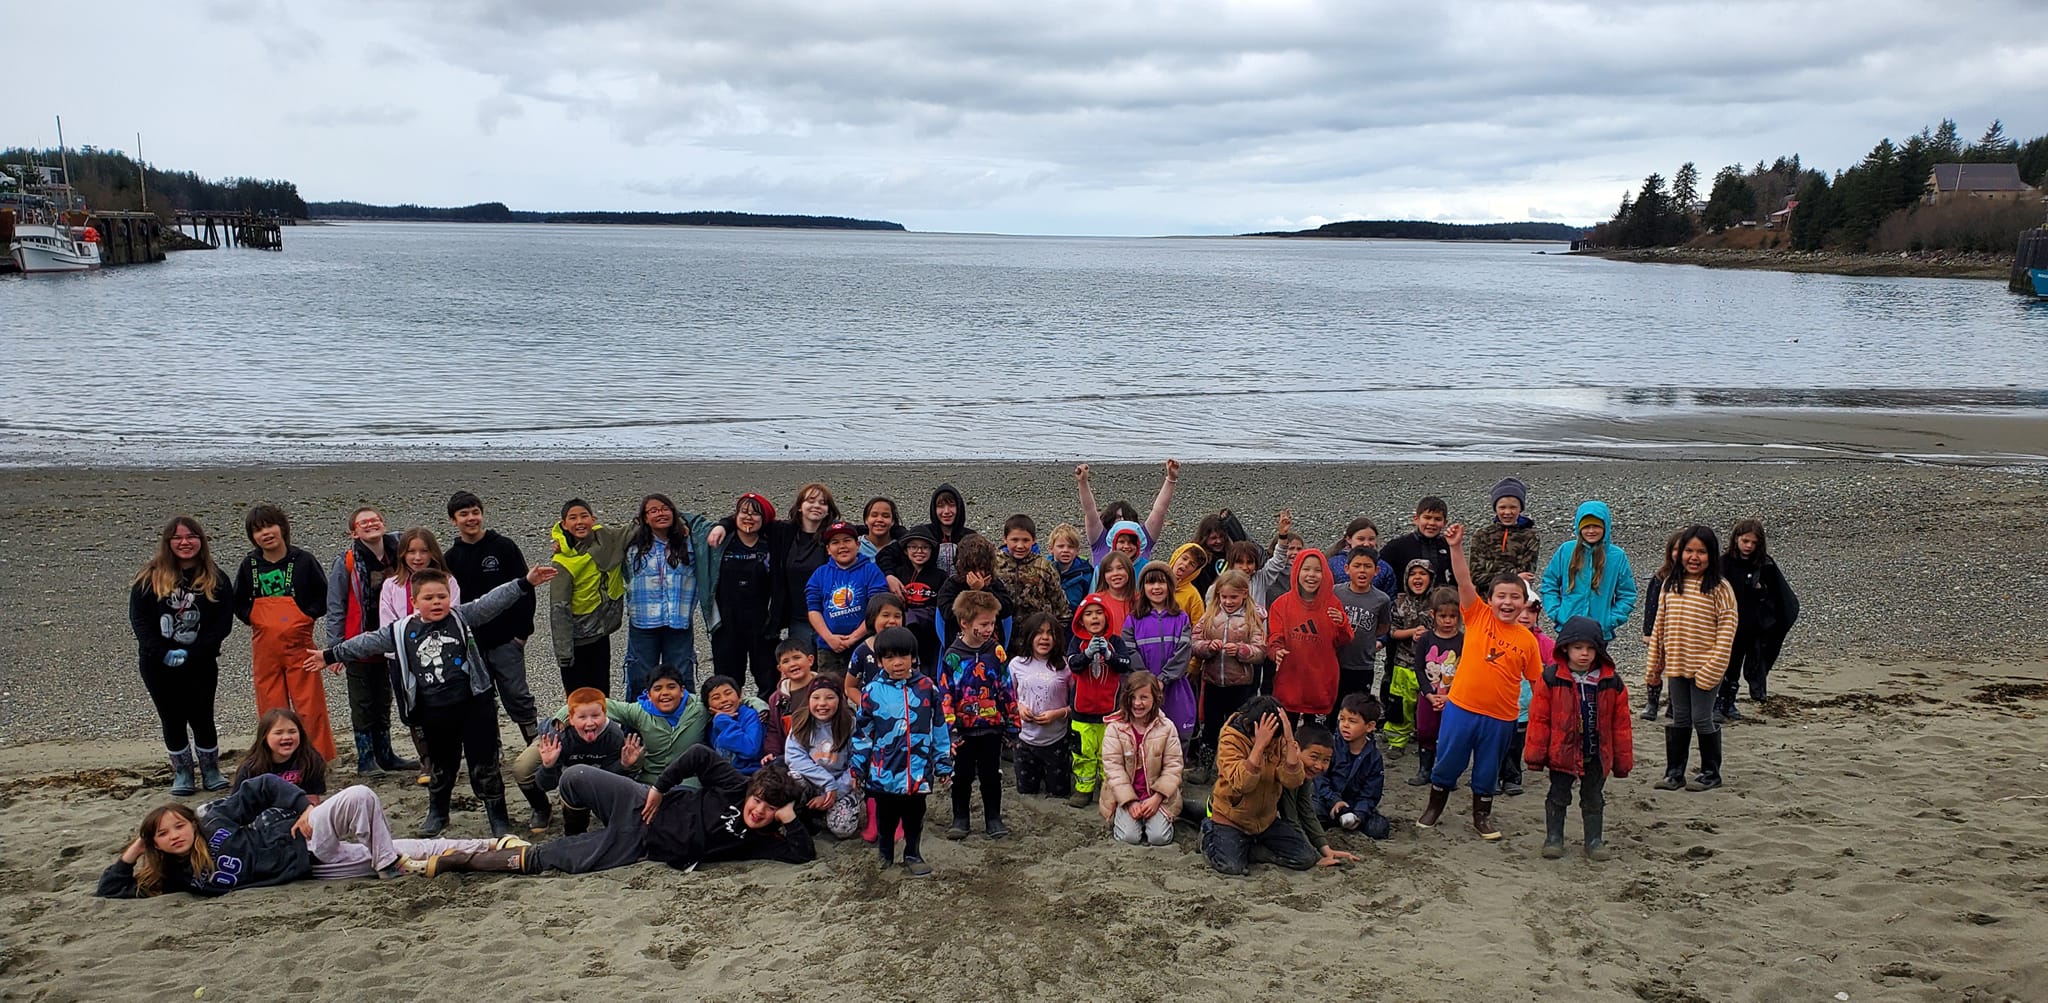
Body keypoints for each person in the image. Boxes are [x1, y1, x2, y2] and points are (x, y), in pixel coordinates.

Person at [313, 564, 559, 837]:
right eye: (428, 598)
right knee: (442, 765)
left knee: (485, 765)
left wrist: (525, 582)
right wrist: (330, 655)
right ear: (414, 601)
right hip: (434, 712)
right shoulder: (401, 630)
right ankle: (438, 813)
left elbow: (492, 601)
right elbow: (366, 643)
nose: (436, 602)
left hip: (475, 707)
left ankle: (497, 816)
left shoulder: (462, 617)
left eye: (441, 596)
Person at [96, 776, 506, 897]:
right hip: (310, 871)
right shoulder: (174, 877)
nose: (174, 836)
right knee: (406, 848)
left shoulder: (214, 821)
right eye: (163, 835)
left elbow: (260, 787)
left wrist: (303, 807)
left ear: (190, 822)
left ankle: (488, 844)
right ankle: (487, 849)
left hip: (302, 839)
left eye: (178, 826)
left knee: (360, 797)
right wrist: (137, 845)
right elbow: (110, 888)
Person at [429, 749, 815, 877]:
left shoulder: (760, 838)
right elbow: (698, 755)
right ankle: (577, 826)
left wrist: (789, 818)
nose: (759, 810)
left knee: (553, 859)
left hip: (640, 843)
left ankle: (466, 861)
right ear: (752, 790)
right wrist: (659, 789)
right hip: (641, 803)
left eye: (770, 807)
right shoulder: (736, 786)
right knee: (574, 777)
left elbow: (802, 854)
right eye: (758, 800)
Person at [1416, 523, 1544, 841]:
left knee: (1487, 770)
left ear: (1524, 604)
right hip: (1462, 708)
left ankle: (1481, 817)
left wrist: (1545, 718)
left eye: (1515, 597)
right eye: (1501, 596)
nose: (1507, 602)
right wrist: (1456, 547)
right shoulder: (1477, 616)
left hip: (1501, 717)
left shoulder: (1527, 640)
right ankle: (1434, 808)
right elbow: (1462, 579)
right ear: (1490, 598)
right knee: (1448, 762)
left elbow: (1537, 682)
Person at [130, 515, 236, 794]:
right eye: (178, 538)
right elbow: (139, 621)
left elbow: (223, 622)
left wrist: (197, 652)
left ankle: (210, 768)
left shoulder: (216, 578)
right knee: (171, 717)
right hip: (158, 664)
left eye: (191, 537)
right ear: (168, 543)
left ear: (201, 541)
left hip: (200, 663)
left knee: (202, 716)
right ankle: (183, 772)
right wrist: (162, 652)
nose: (185, 543)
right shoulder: (149, 577)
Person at [232, 505, 336, 762]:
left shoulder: (304, 560)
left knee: (310, 705)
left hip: (300, 645)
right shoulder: (249, 564)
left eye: (269, 526)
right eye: (257, 530)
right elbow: (237, 601)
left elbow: (324, 596)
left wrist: (306, 614)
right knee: (270, 706)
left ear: (282, 528)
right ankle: (275, 758)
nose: (265, 533)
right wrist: (253, 617)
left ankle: (316, 758)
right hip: (265, 648)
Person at [1528, 616, 1634, 860]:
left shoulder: (1611, 681)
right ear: (1565, 647)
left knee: (1594, 797)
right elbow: (1540, 719)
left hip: (1596, 751)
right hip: (1562, 751)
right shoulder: (1551, 678)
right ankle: (1554, 838)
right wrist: (1536, 755)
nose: (1584, 654)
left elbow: (1621, 726)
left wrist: (1622, 761)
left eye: (1590, 648)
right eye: (1578, 647)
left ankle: (1594, 840)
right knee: (1558, 794)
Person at [851, 626, 952, 876]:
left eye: (903, 656)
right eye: (890, 657)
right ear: (881, 660)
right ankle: (885, 852)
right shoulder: (872, 691)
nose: (897, 663)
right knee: (886, 816)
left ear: (913, 657)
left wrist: (943, 763)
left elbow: (939, 728)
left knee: (915, 815)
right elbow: (863, 733)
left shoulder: (927, 687)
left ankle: (912, 853)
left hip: (917, 770)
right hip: (884, 769)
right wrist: (857, 767)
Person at [443, 490, 542, 747]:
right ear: (454, 520)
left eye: (475, 512)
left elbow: (525, 588)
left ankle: (536, 747)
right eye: (464, 514)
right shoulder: (450, 559)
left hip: (507, 640)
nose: (471, 518)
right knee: (480, 699)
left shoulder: (504, 547)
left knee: (517, 696)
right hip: (471, 644)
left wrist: (522, 634)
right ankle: (491, 748)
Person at [1646, 526, 1739, 793]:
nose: (1694, 557)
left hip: (1707, 667)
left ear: (1712, 555)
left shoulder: (1721, 589)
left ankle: (1711, 773)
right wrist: (1654, 667)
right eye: (1689, 551)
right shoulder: (1670, 585)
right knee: (1680, 719)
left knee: (1702, 718)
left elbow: (1727, 631)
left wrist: (1712, 667)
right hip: (1677, 665)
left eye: (1701, 551)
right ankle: (1675, 773)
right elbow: (1659, 628)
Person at [327, 507, 406, 779]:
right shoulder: (347, 561)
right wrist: (335, 649)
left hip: (391, 641)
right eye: (363, 523)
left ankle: (386, 754)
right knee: (362, 702)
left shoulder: (401, 553)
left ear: (383, 524)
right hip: (358, 643)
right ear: (354, 532)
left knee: (384, 698)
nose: (370, 524)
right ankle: (365, 758)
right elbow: (335, 606)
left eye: (375, 520)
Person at [1202, 696, 1319, 875]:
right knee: (1230, 866)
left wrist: (1288, 739)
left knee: (1306, 858)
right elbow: (1242, 784)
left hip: (1265, 821)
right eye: (1271, 738)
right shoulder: (1231, 739)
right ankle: (1207, 830)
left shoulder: (1279, 738)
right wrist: (1259, 746)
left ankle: (1250, 850)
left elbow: (1293, 781)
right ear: (1251, 726)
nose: (1272, 743)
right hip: (1232, 818)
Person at [620, 493, 718, 698]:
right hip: (643, 622)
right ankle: (635, 727)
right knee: (640, 678)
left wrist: (683, 519)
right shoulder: (632, 544)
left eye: (665, 509)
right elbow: (600, 540)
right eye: (653, 511)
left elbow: (709, 528)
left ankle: (684, 724)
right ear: (645, 518)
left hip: (678, 621)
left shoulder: (690, 542)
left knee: (681, 677)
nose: (660, 514)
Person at [375, 527, 452, 781]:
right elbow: (388, 625)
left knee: (440, 706)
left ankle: (444, 757)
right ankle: (426, 759)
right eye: (411, 551)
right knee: (412, 708)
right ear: (402, 555)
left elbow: (452, 615)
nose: (417, 557)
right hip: (402, 659)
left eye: (423, 551)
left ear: (433, 552)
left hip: (438, 655)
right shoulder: (391, 585)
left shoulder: (447, 581)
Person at [940, 590, 1018, 840]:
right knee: (961, 775)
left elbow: (1007, 688)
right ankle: (960, 818)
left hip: (992, 725)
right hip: (962, 728)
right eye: (984, 624)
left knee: (991, 774)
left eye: (992, 623)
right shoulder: (952, 655)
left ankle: (993, 818)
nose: (989, 628)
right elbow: (945, 692)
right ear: (965, 622)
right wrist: (949, 727)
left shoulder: (995, 652)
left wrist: (1012, 723)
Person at [518, 686, 638, 835]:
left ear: (605, 714)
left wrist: (623, 765)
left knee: (587, 785)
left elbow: (609, 779)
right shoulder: (558, 735)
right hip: (551, 745)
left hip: (589, 766)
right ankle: (541, 809)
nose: (589, 723)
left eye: (595, 716)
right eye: (582, 717)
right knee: (522, 769)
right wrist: (548, 765)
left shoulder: (614, 736)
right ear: (571, 719)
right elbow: (546, 785)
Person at [1190, 569, 1265, 787]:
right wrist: (1207, 648)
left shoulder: (1253, 617)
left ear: (1244, 594)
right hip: (1213, 681)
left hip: (1240, 684)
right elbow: (1194, 642)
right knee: (1211, 725)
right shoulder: (1211, 614)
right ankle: (1205, 766)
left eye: (1233, 597)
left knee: (1238, 725)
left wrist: (1242, 651)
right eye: (1224, 597)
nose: (1228, 601)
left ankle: (1234, 766)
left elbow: (1260, 651)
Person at [1719, 519, 1799, 719]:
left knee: (1741, 665)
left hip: (1752, 628)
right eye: (1745, 541)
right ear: (1736, 538)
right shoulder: (1723, 563)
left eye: (1754, 543)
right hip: (1726, 626)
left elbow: (1782, 598)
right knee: (1722, 665)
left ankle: (1729, 704)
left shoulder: (1765, 564)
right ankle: (1716, 703)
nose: (1749, 546)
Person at [548, 498, 626, 697]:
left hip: (599, 635)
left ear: (593, 519)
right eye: (573, 518)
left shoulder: (606, 542)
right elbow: (559, 610)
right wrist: (564, 654)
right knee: (578, 698)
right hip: (575, 641)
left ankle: (603, 727)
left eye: (584, 516)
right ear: (564, 524)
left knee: (601, 694)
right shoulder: (562, 562)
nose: (579, 522)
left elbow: (634, 530)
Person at [1266, 548, 1354, 725]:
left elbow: (1344, 640)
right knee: (1285, 733)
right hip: (1290, 680)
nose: (1311, 575)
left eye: (1317, 570)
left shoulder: (1332, 603)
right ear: (1297, 571)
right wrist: (1276, 651)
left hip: (1320, 683)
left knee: (1315, 738)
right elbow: (1274, 637)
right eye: (1306, 569)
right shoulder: (1281, 604)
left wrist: (1342, 624)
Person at [708, 493, 782, 698]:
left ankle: (768, 721)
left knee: (768, 678)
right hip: (726, 623)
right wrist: (723, 525)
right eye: (744, 512)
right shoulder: (722, 542)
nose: (749, 518)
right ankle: (727, 721)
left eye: (755, 514)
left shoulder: (772, 542)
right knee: (727, 679)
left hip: (763, 623)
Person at [1099, 671, 1184, 847]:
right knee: (1129, 838)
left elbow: (1173, 766)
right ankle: (1122, 817)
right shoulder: (1115, 728)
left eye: (1144, 697)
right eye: (1133, 697)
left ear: (1155, 698)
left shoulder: (1167, 727)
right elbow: (1113, 769)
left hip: (1156, 794)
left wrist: (1157, 798)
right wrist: (1130, 802)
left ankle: (1162, 818)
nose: (1138, 703)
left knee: (1159, 838)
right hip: (1125, 794)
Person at [1066, 595, 1134, 809]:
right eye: (1088, 614)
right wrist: (1087, 654)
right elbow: (1073, 664)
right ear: (1080, 620)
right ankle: (1083, 788)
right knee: (1083, 752)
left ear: (1106, 616)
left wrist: (1109, 654)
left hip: (1109, 711)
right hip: (1081, 711)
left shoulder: (1115, 641)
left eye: (1098, 613)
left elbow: (1125, 664)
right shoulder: (1076, 642)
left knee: (1109, 753)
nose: (1094, 617)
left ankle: (1108, 788)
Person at [1539, 500, 1638, 641]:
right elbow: (1549, 583)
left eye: (1596, 526)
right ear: (1579, 527)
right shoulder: (1566, 551)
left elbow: (1627, 594)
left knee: (1597, 664)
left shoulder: (1616, 556)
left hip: (1599, 630)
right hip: (1568, 627)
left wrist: (1610, 620)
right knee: (1567, 663)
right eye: (1586, 526)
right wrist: (1558, 613)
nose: (1591, 531)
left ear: (1606, 527)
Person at [1122, 564, 1196, 748]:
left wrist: (1163, 679)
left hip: (1175, 687)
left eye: (1161, 583)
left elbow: (1184, 651)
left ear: (1170, 586)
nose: (1156, 588)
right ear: (1143, 588)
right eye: (1150, 583)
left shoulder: (1181, 618)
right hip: (1143, 689)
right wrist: (1148, 682)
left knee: (1177, 735)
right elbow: (1130, 651)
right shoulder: (1133, 619)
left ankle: (1174, 776)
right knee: (1145, 736)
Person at [806, 520, 891, 675]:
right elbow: (813, 610)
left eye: (847, 541)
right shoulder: (820, 574)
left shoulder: (871, 570)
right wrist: (829, 638)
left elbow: (877, 609)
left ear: (857, 545)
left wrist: (854, 637)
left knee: (866, 691)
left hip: (865, 643)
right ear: (828, 550)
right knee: (831, 693)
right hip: (828, 648)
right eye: (835, 542)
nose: (842, 546)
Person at [784, 675, 862, 838]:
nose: (822, 704)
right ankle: (802, 816)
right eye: (816, 697)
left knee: (843, 829)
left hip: (841, 784)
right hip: (811, 782)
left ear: (840, 700)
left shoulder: (850, 724)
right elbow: (794, 757)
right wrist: (827, 783)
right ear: (809, 699)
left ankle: (824, 814)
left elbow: (857, 762)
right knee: (793, 777)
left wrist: (834, 792)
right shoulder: (800, 723)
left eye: (830, 697)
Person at [1277, 723, 1361, 867]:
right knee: (1304, 857)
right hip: (1254, 823)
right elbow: (1290, 819)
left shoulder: (1305, 774)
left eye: (1326, 761)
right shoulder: (1288, 772)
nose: (1319, 766)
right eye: (1314, 757)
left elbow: (1306, 810)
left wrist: (1326, 849)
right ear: (1296, 749)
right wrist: (1315, 856)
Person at [1009, 612, 1074, 799]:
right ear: (1029, 636)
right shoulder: (1016, 665)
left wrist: (1058, 713)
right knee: (1027, 792)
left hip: (1056, 741)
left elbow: (1075, 705)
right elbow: (1008, 698)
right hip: (1024, 741)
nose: (1045, 638)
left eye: (1050, 633)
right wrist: (1019, 708)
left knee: (1059, 792)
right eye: (1039, 632)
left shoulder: (1066, 667)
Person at [1313, 695, 1391, 841]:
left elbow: (1371, 793)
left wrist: (1359, 815)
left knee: (1379, 828)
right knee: (1314, 813)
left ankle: (1350, 821)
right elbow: (1319, 779)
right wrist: (1335, 802)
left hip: (1355, 805)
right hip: (1327, 802)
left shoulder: (1374, 757)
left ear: (1370, 726)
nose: (1345, 725)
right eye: (1342, 719)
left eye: (1352, 721)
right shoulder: (1331, 746)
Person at [1409, 587, 1464, 788]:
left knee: (1450, 734)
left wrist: (1451, 696)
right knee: (1425, 730)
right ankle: (1425, 769)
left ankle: (1447, 772)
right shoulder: (1426, 639)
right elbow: (1419, 668)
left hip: (1454, 697)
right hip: (1429, 695)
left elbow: (1466, 670)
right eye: (1443, 616)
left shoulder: (1463, 640)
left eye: (1453, 616)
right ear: (1433, 615)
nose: (1448, 621)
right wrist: (1429, 694)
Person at [1076, 459, 1178, 565]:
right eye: (1118, 517)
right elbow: (1090, 510)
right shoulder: (1100, 540)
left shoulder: (1144, 539)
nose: (1122, 521)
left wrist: (1171, 478)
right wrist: (1082, 482)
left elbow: (1159, 511)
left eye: (1126, 517)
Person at [1382, 558, 1435, 757]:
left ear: (1431, 578)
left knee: (1427, 705)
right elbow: (1392, 632)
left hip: (1431, 666)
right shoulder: (1399, 603)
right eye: (1413, 574)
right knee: (1400, 704)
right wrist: (1413, 632)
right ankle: (1397, 741)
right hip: (1403, 663)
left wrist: (1428, 634)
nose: (1418, 578)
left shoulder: (1437, 602)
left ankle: (1426, 740)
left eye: (1423, 574)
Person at [1333, 545, 1391, 724]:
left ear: (1376, 570)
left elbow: (1382, 627)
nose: (1362, 571)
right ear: (1347, 568)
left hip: (1363, 664)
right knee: (1335, 706)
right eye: (1357, 566)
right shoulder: (1336, 592)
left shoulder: (1382, 599)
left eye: (1367, 566)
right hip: (1337, 661)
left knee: (1358, 708)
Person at [879, 524, 947, 673]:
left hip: (930, 633)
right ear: (905, 550)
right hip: (903, 631)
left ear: (932, 550)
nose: (919, 551)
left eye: (925, 547)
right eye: (913, 547)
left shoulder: (941, 576)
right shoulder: (898, 573)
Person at [228, 708, 329, 802]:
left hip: (300, 813)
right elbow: (236, 804)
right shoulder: (251, 769)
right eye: (278, 733)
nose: (286, 737)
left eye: (292, 731)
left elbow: (312, 800)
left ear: (301, 734)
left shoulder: (310, 761)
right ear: (264, 737)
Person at [934, 534, 1019, 642]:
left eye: (982, 568)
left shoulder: (994, 583)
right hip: (959, 647)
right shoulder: (952, 585)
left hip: (991, 646)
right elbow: (947, 613)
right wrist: (972, 593)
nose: (978, 574)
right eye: (972, 569)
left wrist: (984, 590)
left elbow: (1007, 609)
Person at [995, 514, 1070, 631]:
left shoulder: (1044, 566)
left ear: (1034, 540)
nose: (1020, 545)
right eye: (1014, 540)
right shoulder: (994, 565)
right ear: (1005, 539)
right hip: (1002, 635)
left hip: (1037, 636)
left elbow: (1060, 607)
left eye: (1025, 540)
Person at [1467, 478, 1542, 587]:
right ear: (1495, 508)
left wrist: (1492, 572)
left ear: (1520, 508)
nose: (1507, 512)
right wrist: (1515, 575)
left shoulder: (1530, 537)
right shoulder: (1482, 536)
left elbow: (1527, 576)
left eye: (1513, 507)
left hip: (1516, 598)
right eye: (1502, 507)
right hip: (1486, 600)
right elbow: (1476, 576)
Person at [760, 637, 818, 765]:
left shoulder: (827, 687)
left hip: (826, 749)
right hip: (794, 753)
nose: (792, 664)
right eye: (786, 661)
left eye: (797, 657)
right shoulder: (776, 699)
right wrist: (771, 752)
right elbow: (774, 730)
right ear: (780, 668)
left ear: (810, 660)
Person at [1378, 497, 1452, 592]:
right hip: (1405, 602)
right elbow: (1378, 572)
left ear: (1445, 523)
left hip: (1440, 602)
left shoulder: (1449, 546)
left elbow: (1458, 578)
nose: (1432, 523)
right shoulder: (1397, 547)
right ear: (1416, 519)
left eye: (1437, 519)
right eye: (1427, 517)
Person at [703, 675, 770, 776]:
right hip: (725, 776)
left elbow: (749, 749)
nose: (724, 699)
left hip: (753, 773)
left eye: (728, 693)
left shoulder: (750, 715)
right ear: (709, 708)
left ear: (740, 696)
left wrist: (724, 721)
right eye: (716, 698)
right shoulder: (711, 725)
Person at [847, 595, 904, 689]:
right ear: (872, 618)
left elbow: (916, 680)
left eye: (897, 616)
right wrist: (866, 703)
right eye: (885, 615)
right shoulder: (862, 651)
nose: (892, 621)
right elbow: (850, 687)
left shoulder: (907, 646)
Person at [1047, 522, 1096, 612]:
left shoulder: (1086, 573)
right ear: (1051, 549)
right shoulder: (1043, 570)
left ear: (1077, 550)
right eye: (1061, 546)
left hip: (1074, 619)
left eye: (1070, 547)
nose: (1065, 550)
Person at [1091, 551, 1139, 634]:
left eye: (1120, 568)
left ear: (1129, 571)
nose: (1115, 573)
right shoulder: (1096, 601)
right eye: (1109, 570)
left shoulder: (1140, 600)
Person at [1167, 542, 1209, 626]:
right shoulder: (1156, 581)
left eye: (1192, 564)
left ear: (1195, 572)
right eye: (1184, 558)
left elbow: (1198, 627)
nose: (1186, 564)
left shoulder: (1193, 596)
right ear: (1176, 556)